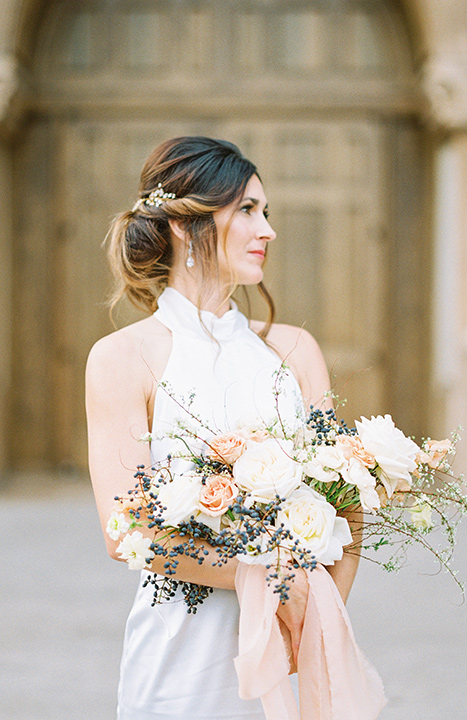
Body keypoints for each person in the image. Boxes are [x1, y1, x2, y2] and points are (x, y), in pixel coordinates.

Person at [86, 136, 361, 720]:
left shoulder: (294, 351)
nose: (268, 230)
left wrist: (311, 616)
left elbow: (347, 500)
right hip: (182, 660)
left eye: (267, 212)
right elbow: (126, 530)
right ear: (186, 226)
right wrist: (263, 576)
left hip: (291, 651)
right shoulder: (122, 358)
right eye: (247, 210)